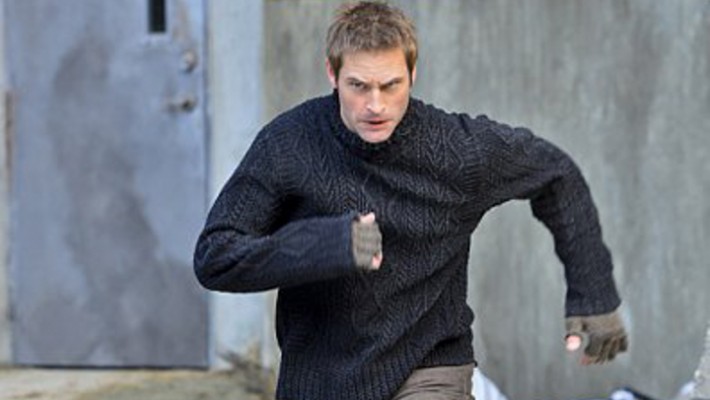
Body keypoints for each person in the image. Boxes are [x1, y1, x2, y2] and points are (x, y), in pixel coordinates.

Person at [193, 2, 629, 399]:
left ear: (413, 74)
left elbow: (556, 175)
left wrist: (593, 292)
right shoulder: (288, 144)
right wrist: (323, 245)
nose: (375, 105)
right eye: (358, 86)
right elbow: (216, 256)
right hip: (319, 377)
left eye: (391, 85)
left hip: (429, 366)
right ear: (332, 74)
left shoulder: (457, 151)